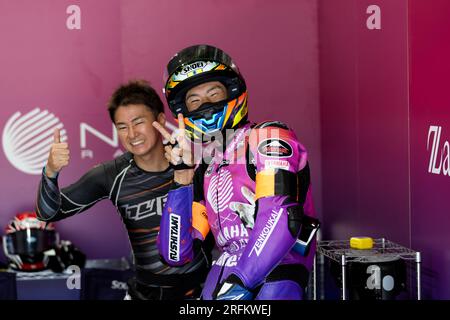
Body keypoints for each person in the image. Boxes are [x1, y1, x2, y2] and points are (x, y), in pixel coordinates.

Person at [154, 45, 319, 300]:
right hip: (225, 274)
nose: (205, 105)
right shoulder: (205, 166)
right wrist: (182, 175)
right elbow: (176, 253)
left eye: (213, 93)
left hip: (277, 274)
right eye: (194, 100)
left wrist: (240, 281)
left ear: (231, 92)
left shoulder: (268, 137)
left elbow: (281, 216)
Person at [35, 80, 212, 300]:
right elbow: (48, 214)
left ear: (160, 120)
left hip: (202, 291)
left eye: (138, 122)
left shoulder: (197, 164)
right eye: (122, 127)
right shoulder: (111, 175)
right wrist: (50, 172)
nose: (132, 134)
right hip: (144, 293)